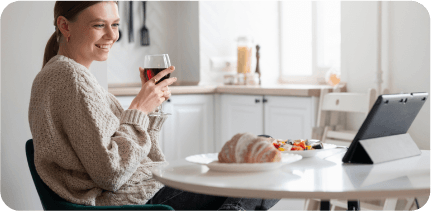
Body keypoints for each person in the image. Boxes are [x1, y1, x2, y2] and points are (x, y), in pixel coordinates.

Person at [28, 1, 279, 210]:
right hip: (136, 200)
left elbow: (148, 158)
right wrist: (138, 109)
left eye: (115, 25)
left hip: (148, 189)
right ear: (64, 25)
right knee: (266, 168)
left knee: (264, 147)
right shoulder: (69, 77)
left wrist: (151, 108)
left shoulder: (71, 76)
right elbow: (112, 173)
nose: (112, 35)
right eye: (98, 25)